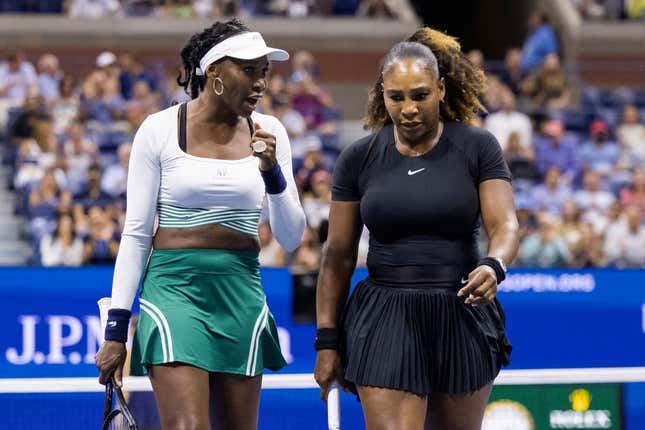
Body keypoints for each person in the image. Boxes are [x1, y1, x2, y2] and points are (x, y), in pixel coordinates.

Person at [95, 18, 306, 430]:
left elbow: (292, 237)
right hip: (174, 290)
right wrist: (116, 327)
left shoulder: (271, 132)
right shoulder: (158, 130)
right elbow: (137, 233)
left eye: (264, 72)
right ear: (214, 74)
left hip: (241, 292)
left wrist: (272, 174)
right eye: (248, 70)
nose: (261, 82)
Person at [314, 28, 520, 430]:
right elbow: (337, 254)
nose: (408, 108)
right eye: (397, 97)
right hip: (385, 314)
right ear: (383, 95)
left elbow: (506, 224)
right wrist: (327, 341)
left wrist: (494, 265)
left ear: (441, 89)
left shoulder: (478, 147)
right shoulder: (359, 157)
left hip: (463, 309)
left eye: (420, 95)